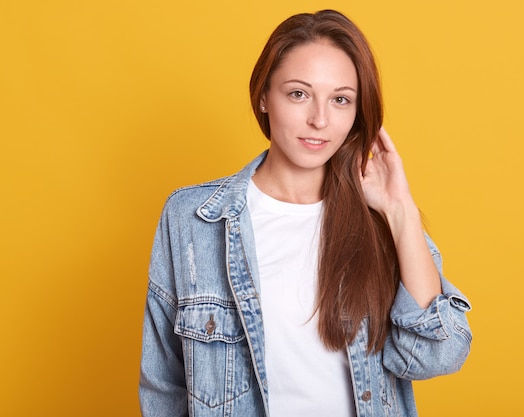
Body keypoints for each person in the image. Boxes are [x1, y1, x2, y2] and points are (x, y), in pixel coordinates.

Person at [139, 9, 472, 417]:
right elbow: (164, 385)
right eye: (298, 93)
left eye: (340, 99)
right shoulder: (193, 219)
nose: (319, 119)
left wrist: (400, 208)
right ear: (263, 96)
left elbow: (438, 354)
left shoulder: (380, 221)